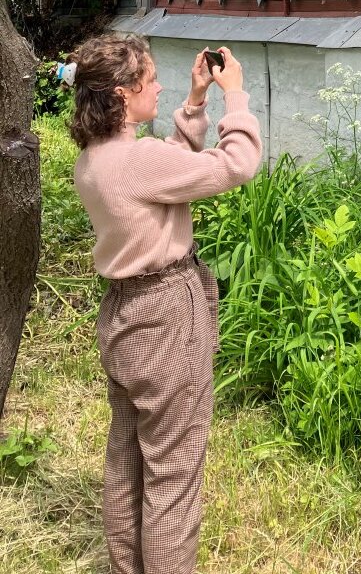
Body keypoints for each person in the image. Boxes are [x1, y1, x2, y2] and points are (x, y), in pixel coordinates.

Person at [69, 32, 262, 574]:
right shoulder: (139, 161)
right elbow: (237, 165)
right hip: (166, 318)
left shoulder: (96, 159)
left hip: (124, 319)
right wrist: (236, 98)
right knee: (174, 479)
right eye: (151, 79)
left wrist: (195, 101)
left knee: (128, 461)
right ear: (125, 95)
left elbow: (164, 173)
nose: (158, 85)